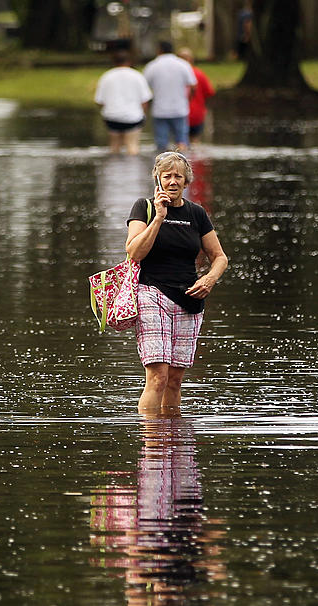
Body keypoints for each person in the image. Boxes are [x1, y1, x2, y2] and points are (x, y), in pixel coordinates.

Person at [125, 152, 228, 412]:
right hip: (151, 294)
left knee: (174, 380)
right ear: (158, 180)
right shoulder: (144, 208)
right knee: (158, 376)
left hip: (189, 299)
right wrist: (159, 217)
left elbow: (219, 257)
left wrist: (210, 279)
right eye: (167, 176)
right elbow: (134, 252)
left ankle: (172, 440)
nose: (172, 181)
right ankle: (152, 446)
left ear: (186, 182)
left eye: (178, 176)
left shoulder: (196, 214)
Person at [94, 49, 153, 155]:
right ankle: (132, 170)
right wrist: (142, 113)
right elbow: (145, 100)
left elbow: (99, 101)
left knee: (114, 147)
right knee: (132, 146)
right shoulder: (137, 76)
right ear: (129, 61)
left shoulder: (106, 76)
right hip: (133, 118)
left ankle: (114, 170)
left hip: (111, 118)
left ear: (114, 61)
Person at [143, 41, 197, 152]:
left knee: (161, 145)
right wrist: (188, 99)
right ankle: (183, 165)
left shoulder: (152, 66)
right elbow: (193, 85)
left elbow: (143, 88)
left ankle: (163, 166)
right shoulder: (183, 65)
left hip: (160, 110)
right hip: (180, 109)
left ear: (159, 50)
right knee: (182, 142)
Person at [177, 47, 215, 146]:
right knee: (195, 141)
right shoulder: (199, 74)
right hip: (197, 114)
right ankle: (195, 160)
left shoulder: (175, 75)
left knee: (180, 143)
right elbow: (209, 93)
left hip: (178, 114)